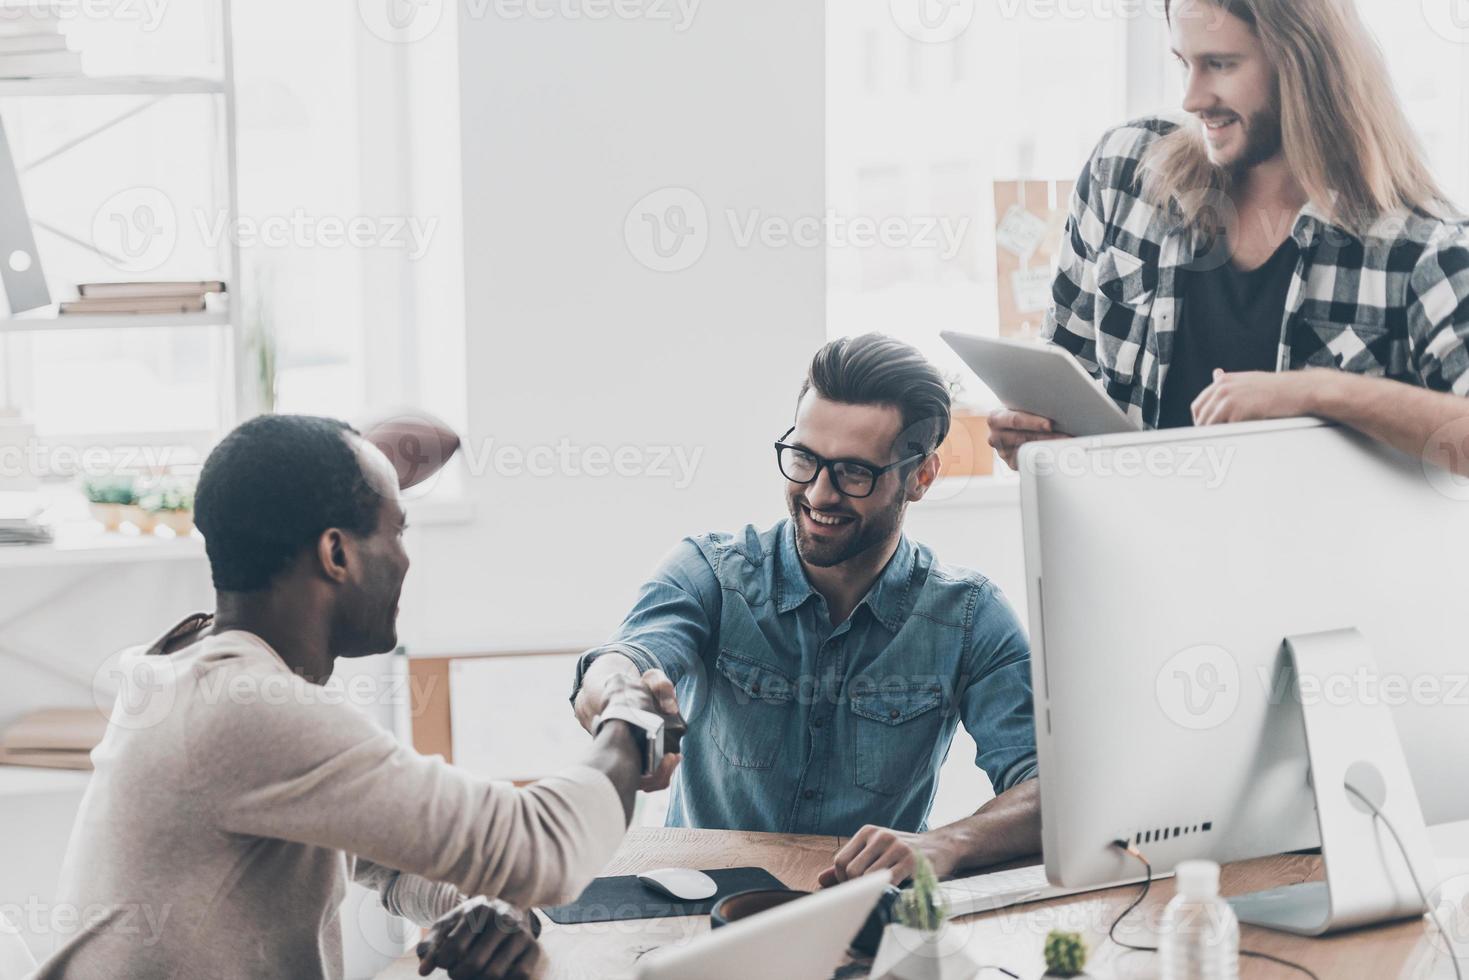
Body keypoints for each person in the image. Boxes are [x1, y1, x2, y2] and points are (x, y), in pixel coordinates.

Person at [35, 415, 675, 980]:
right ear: (336, 552)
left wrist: (489, 907)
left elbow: (392, 865)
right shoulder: (248, 712)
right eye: (396, 531)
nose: (406, 560)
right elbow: (541, 848)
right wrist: (625, 715)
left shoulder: (182, 664)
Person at [572, 334, 1040, 886]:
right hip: (695, 919)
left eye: (854, 472)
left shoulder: (970, 619)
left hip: (863, 920)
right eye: (804, 458)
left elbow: (1047, 790)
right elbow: (620, 660)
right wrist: (623, 703)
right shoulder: (713, 573)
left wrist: (944, 844)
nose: (819, 494)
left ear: (921, 477)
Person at [988, 0, 1469, 472]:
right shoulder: (1125, 171)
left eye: (1219, 64)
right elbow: (1063, 374)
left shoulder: (1419, 247)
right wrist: (1033, 438)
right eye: (1184, 63)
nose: (1192, 98)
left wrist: (1321, 392)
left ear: (1303, 63)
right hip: (1126, 548)